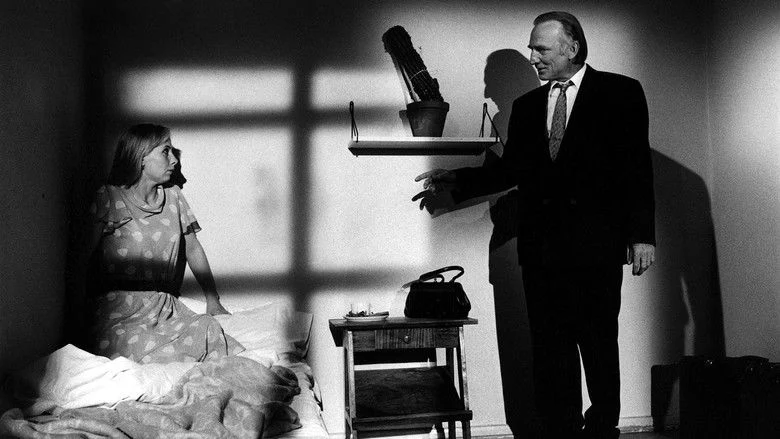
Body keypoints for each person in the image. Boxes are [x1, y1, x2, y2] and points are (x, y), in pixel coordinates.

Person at [414, 11, 655, 439]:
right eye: (530, 49)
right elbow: (512, 171)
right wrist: (458, 180)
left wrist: (642, 237)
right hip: (542, 251)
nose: (533, 57)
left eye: (540, 49)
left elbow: (637, 168)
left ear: (572, 48)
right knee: (550, 350)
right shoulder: (526, 107)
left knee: (599, 346)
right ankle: (560, 431)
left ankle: (602, 430)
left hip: (597, 248)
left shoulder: (620, 92)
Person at [72, 123, 242, 364]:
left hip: (164, 308)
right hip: (117, 312)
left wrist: (212, 299)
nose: (174, 160)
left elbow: (193, 248)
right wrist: (76, 318)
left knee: (208, 330)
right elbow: (80, 261)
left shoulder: (173, 197)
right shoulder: (108, 198)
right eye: (165, 152)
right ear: (141, 157)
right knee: (135, 345)